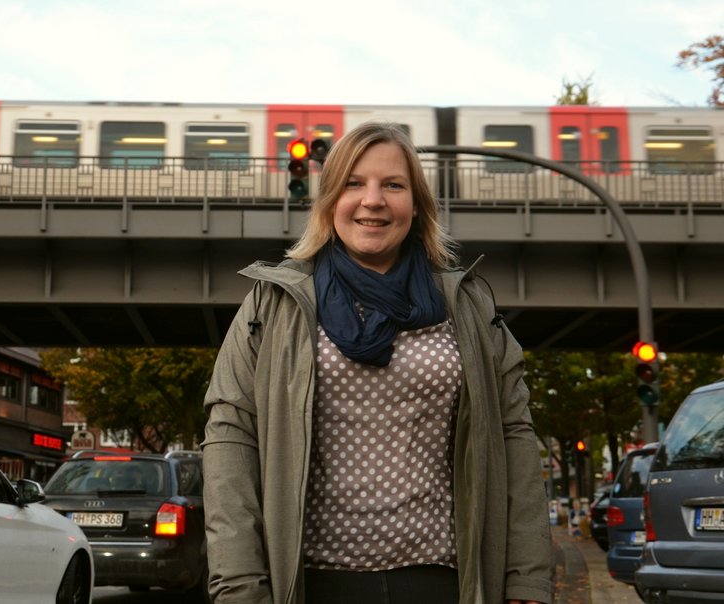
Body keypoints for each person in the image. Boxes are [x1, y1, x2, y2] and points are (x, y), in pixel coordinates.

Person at [201, 121, 553, 604]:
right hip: (310, 582)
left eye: (393, 185)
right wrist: (240, 586)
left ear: (417, 204)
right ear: (329, 201)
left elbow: (515, 434)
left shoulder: (467, 305)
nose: (373, 200)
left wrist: (528, 579)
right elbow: (230, 436)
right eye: (353, 183)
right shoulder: (273, 303)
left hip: (444, 581)